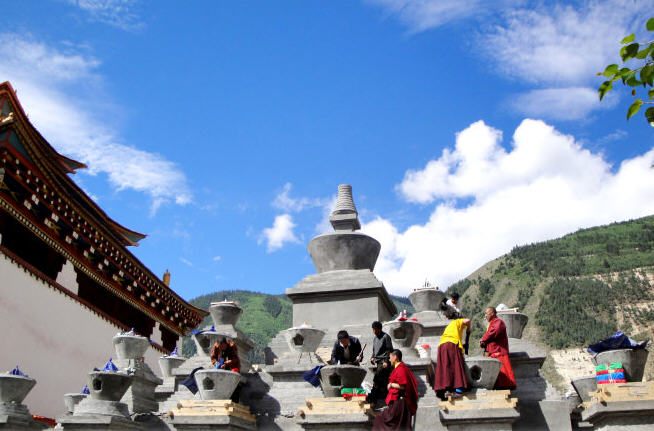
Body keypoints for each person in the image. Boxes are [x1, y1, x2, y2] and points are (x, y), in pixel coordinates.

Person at [372, 349, 418, 430]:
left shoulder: (401, 368)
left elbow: (403, 386)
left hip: (400, 402)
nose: (389, 360)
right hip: (398, 403)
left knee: (381, 420)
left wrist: (391, 384)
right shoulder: (399, 368)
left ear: (395, 357)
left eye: (390, 357)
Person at [434, 309, 470, 400]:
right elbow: (468, 320)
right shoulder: (457, 321)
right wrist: (469, 329)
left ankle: (448, 390)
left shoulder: (450, 326)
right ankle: (458, 390)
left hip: (442, 346)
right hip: (451, 344)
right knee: (456, 365)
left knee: (447, 367)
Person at [480, 307, 516, 390]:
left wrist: (483, 340)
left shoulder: (498, 322)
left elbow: (493, 332)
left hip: (499, 352)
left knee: (503, 376)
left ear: (492, 313)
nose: (485, 316)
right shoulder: (492, 323)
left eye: (486, 313)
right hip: (492, 353)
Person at [367, 321, 393, 404]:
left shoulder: (386, 337)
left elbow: (389, 350)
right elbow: (374, 350)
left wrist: (386, 361)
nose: (374, 331)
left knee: (377, 379)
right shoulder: (375, 338)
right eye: (373, 329)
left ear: (379, 329)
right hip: (378, 362)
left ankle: (373, 398)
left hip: (384, 362)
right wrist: (372, 357)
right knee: (380, 380)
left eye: (375, 329)